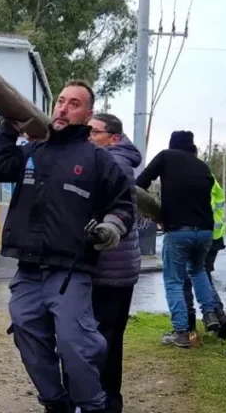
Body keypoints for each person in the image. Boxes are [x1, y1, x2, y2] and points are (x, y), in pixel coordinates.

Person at [0, 80, 135, 413]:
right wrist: (8, 127)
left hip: (70, 271)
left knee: (74, 343)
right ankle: (55, 403)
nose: (64, 108)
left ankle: (93, 405)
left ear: (87, 114)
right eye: (61, 101)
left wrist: (111, 227)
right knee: (24, 327)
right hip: (28, 269)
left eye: (74, 104)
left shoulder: (98, 159)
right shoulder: (34, 151)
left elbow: (124, 205)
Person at [135, 131, 220, 349]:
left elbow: (140, 183)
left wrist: (153, 210)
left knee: (174, 281)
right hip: (205, 231)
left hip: (178, 231)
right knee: (198, 270)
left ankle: (181, 332)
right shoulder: (203, 166)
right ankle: (210, 313)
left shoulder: (166, 157)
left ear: (172, 144)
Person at [84, 112, 142, 413]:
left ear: (114, 138)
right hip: (121, 268)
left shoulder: (112, 162)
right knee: (110, 338)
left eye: (94, 132)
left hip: (109, 268)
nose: (88, 136)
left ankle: (103, 402)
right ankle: (110, 401)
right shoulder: (121, 159)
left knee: (100, 340)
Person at [182, 178, 226, 341]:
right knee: (205, 278)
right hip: (216, 238)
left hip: (199, 235)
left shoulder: (191, 178)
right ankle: (219, 315)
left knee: (187, 278)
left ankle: (189, 325)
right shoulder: (210, 178)